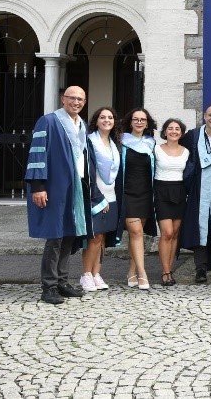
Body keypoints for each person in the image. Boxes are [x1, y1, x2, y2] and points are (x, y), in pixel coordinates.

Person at [26, 86, 106, 304]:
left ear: (84, 102)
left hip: (76, 188)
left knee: (69, 234)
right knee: (55, 237)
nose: (76, 102)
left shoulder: (82, 125)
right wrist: (38, 186)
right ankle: (49, 286)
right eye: (72, 98)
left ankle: (62, 281)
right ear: (63, 99)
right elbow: (37, 153)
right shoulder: (48, 121)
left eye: (80, 99)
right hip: (54, 187)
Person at [180, 105, 211, 284]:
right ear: (205, 116)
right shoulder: (193, 136)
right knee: (199, 226)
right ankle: (200, 268)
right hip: (198, 187)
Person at [80, 106, 122, 292]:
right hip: (95, 196)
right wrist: (98, 197)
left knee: (102, 238)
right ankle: (86, 275)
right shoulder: (90, 141)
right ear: (96, 121)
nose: (107, 120)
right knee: (94, 237)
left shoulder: (115, 142)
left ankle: (96, 273)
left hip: (111, 195)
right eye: (102, 117)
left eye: (110, 117)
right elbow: (87, 172)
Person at [121, 107, 157, 291]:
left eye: (143, 119)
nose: (139, 122)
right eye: (136, 119)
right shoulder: (121, 142)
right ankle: (143, 273)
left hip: (145, 193)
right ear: (130, 122)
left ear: (147, 123)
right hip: (127, 193)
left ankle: (131, 271)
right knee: (136, 232)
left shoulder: (151, 143)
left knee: (137, 234)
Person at [154, 118, 190, 287]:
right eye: (170, 128)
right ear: (165, 131)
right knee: (167, 232)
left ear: (181, 133)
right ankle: (165, 272)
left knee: (175, 233)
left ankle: (170, 269)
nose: (173, 131)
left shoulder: (186, 151)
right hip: (162, 191)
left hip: (179, 192)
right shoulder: (156, 149)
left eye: (177, 129)